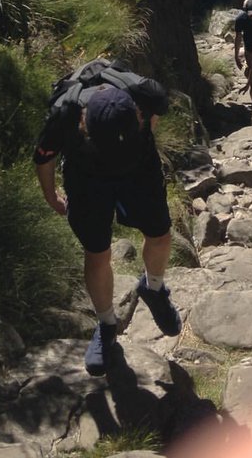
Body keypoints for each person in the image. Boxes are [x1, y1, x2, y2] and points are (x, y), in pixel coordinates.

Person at [34, 76, 182, 377]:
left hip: (138, 169)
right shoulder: (64, 116)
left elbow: (158, 111)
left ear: (137, 113)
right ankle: (106, 325)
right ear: (84, 125)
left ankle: (153, 288)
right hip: (87, 179)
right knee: (97, 251)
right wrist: (51, 197)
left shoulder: (146, 94)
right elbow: (44, 157)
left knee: (160, 233)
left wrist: (143, 133)